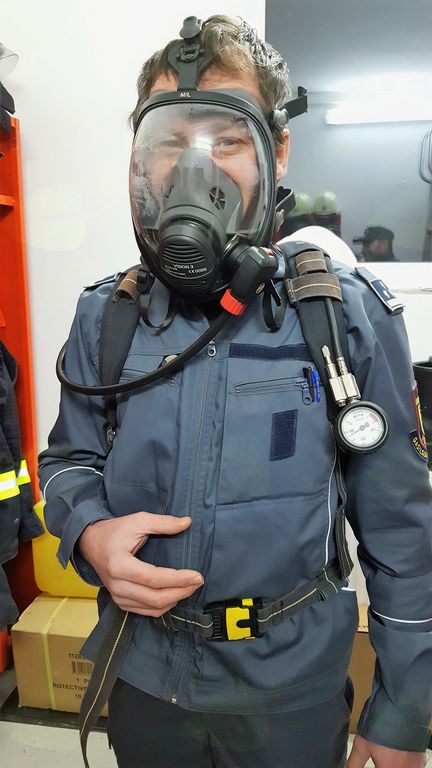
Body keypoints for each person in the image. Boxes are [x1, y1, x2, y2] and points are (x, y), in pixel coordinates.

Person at [38, 15, 431, 768]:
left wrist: (404, 712)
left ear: (276, 151)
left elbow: (403, 533)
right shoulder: (107, 315)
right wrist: (89, 533)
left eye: (225, 141)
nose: (195, 171)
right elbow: (68, 463)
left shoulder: (343, 314)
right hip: (145, 677)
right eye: (170, 144)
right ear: (141, 160)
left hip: (291, 692)